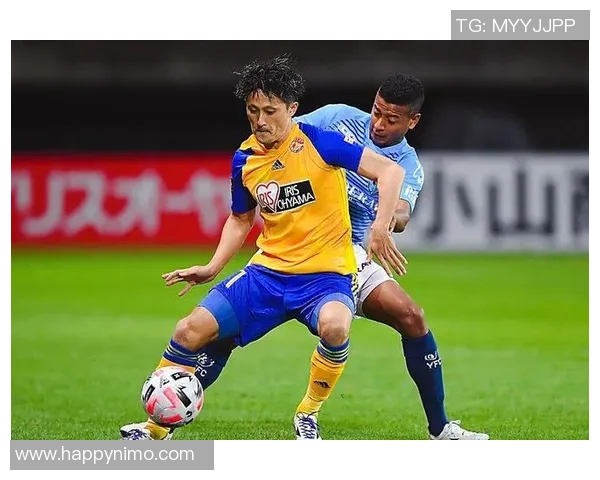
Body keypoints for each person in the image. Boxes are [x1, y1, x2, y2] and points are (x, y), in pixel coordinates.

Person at [120, 56, 407, 441]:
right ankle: (157, 429)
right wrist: (213, 267)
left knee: (336, 326)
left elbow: (390, 171)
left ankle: (308, 413)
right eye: (253, 111)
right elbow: (241, 218)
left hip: (326, 277)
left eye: (270, 111)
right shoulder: (246, 158)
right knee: (189, 330)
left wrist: (380, 225)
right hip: (268, 275)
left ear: (292, 109)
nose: (260, 120)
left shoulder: (319, 142)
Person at [190, 74, 490, 440]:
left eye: (391, 119)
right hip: (293, 245)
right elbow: (282, 136)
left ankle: (439, 428)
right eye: (376, 111)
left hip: (347, 253)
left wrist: (385, 222)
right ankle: (174, 406)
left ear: (413, 121)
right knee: (226, 329)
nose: (379, 123)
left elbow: (401, 213)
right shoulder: (337, 118)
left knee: (411, 316)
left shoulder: (408, 164)